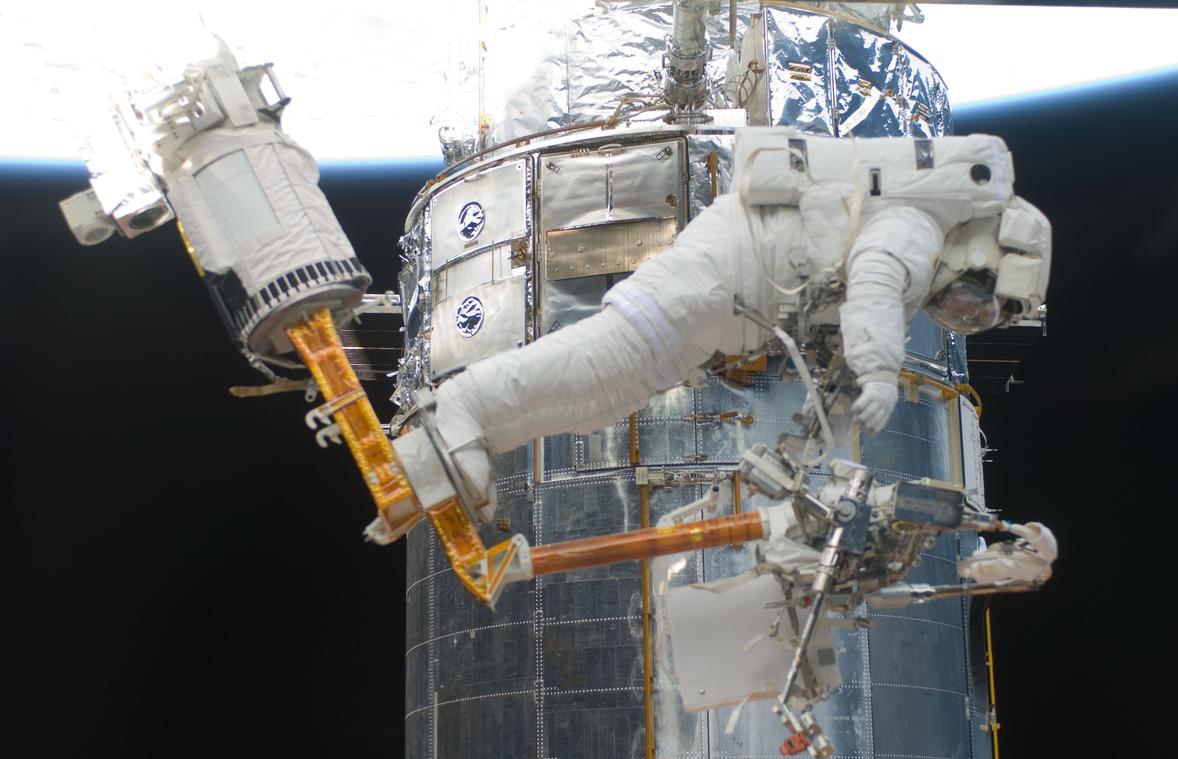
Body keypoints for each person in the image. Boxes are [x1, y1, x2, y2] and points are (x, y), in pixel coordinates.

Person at [392, 128, 1051, 520]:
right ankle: (460, 406)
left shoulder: (918, 250)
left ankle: (461, 443)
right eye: (970, 300)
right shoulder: (915, 231)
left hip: (724, 305)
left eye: (972, 321)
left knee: (607, 396)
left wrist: (841, 402)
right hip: (717, 276)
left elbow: (841, 310)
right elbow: (875, 278)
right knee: (601, 358)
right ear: (981, 253)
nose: (957, 314)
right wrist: (878, 372)